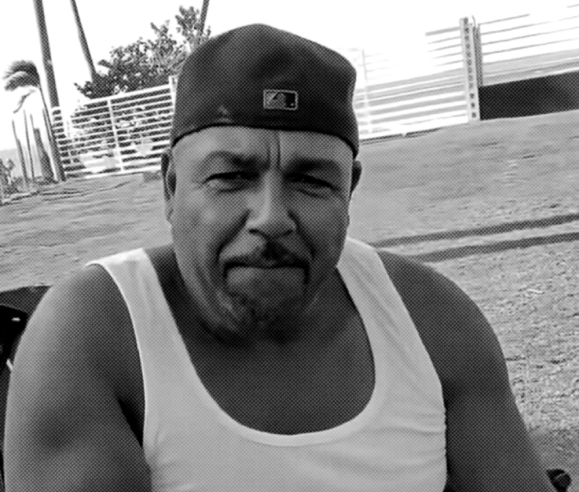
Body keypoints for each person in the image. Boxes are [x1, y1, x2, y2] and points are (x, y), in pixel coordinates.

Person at [3, 24, 558, 492]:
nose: (271, 217)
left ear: (349, 192)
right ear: (171, 187)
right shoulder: (97, 333)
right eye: (230, 176)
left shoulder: (430, 320)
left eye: (311, 180)